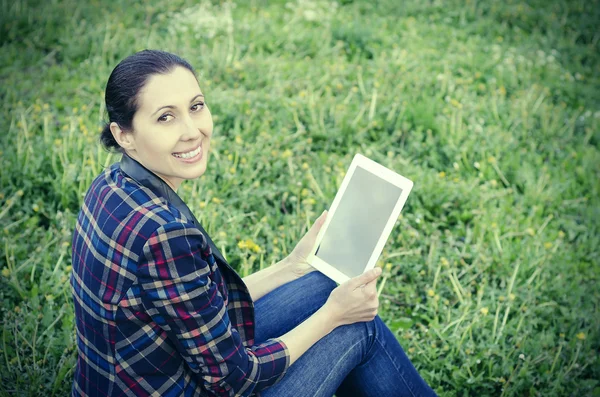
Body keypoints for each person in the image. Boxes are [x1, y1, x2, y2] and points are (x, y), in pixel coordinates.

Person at [70, 49, 437, 397]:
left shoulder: (110, 186)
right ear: (124, 135)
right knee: (358, 324)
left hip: (128, 380)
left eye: (196, 107)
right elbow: (236, 379)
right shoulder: (165, 234)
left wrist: (292, 267)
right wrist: (333, 316)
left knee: (326, 279)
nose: (191, 130)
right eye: (166, 117)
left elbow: (195, 304)